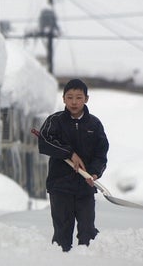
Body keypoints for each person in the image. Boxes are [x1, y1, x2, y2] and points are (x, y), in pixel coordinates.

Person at [37, 79, 109, 252]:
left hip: (85, 187)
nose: (74, 102)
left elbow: (101, 153)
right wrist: (70, 153)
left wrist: (94, 173)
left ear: (86, 99)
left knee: (87, 232)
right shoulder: (55, 121)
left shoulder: (94, 124)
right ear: (63, 99)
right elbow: (44, 142)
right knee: (62, 234)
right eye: (70, 97)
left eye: (78, 97)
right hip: (60, 186)